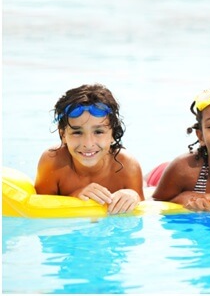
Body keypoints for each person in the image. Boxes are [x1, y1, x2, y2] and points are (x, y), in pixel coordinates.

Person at [35, 83, 144, 214]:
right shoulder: (52, 162)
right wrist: (75, 196)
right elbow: (39, 210)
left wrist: (133, 196)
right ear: (63, 134)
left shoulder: (127, 166)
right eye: (77, 132)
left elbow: (144, 211)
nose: (88, 143)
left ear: (113, 134)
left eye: (98, 132)